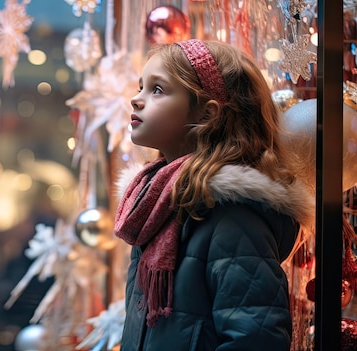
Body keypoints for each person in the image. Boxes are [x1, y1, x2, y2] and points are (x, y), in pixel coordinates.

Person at [113, 39, 314, 350]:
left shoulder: (233, 216)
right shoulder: (155, 206)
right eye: (141, 86)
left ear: (206, 115)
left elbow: (256, 338)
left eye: (157, 89)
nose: (136, 100)